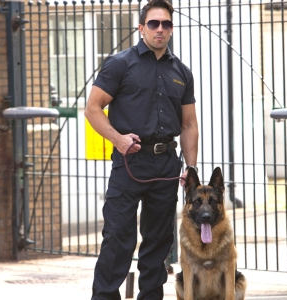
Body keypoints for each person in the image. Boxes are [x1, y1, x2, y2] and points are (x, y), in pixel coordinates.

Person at [84, 0, 198, 299]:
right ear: (141, 27)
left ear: (171, 29)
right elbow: (93, 109)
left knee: (159, 241)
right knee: (118, 237)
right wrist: (118, 139)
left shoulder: (181, 72)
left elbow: (188, 125)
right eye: (153, 23)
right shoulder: (120, 64)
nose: (160, 29)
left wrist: (191, 167)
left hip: (166, 166)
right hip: (129, 163)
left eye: (166, 24)